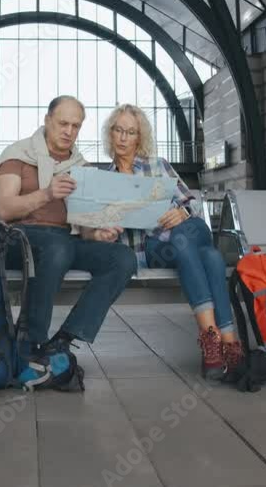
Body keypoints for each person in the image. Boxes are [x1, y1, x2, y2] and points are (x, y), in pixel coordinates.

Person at [0, 95, 138, 367]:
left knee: (124, 257)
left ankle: (64, 339)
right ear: (47, 121)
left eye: (76, 126)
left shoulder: (81, 168)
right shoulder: (17, 155)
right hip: (16, 240)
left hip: (63, 242)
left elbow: (83, 228)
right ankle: (28, 342)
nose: (69, 131)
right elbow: (5, 210)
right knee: (58, 247)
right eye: (63, 124)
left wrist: (97, 234)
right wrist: (46, 193)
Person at [103, 104, 241, 380]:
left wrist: (181, 212)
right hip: (153, 246)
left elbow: (189, 204)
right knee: (211, 257)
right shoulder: (106, 180)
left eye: (130, 132)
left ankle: (210, 339)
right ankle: (227, 341)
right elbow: (109, 230)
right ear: (110, 133)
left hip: (189, 230)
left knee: (184, 235)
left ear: (139, 137)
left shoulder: (158, 165)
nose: (122, 137)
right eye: (118, 130)